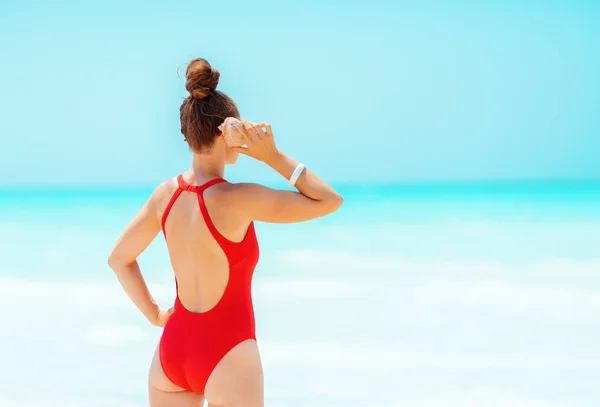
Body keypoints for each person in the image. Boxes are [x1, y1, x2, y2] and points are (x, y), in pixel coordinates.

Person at [107, 57, 343, 407]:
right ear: (226, 133)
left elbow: (119, 259)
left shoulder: (164, 195)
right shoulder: (236, 199)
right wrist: (272, 156)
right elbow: (328, 200)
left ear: (187, 134)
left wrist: (155, 315)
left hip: (172, 352)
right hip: (228, 354)